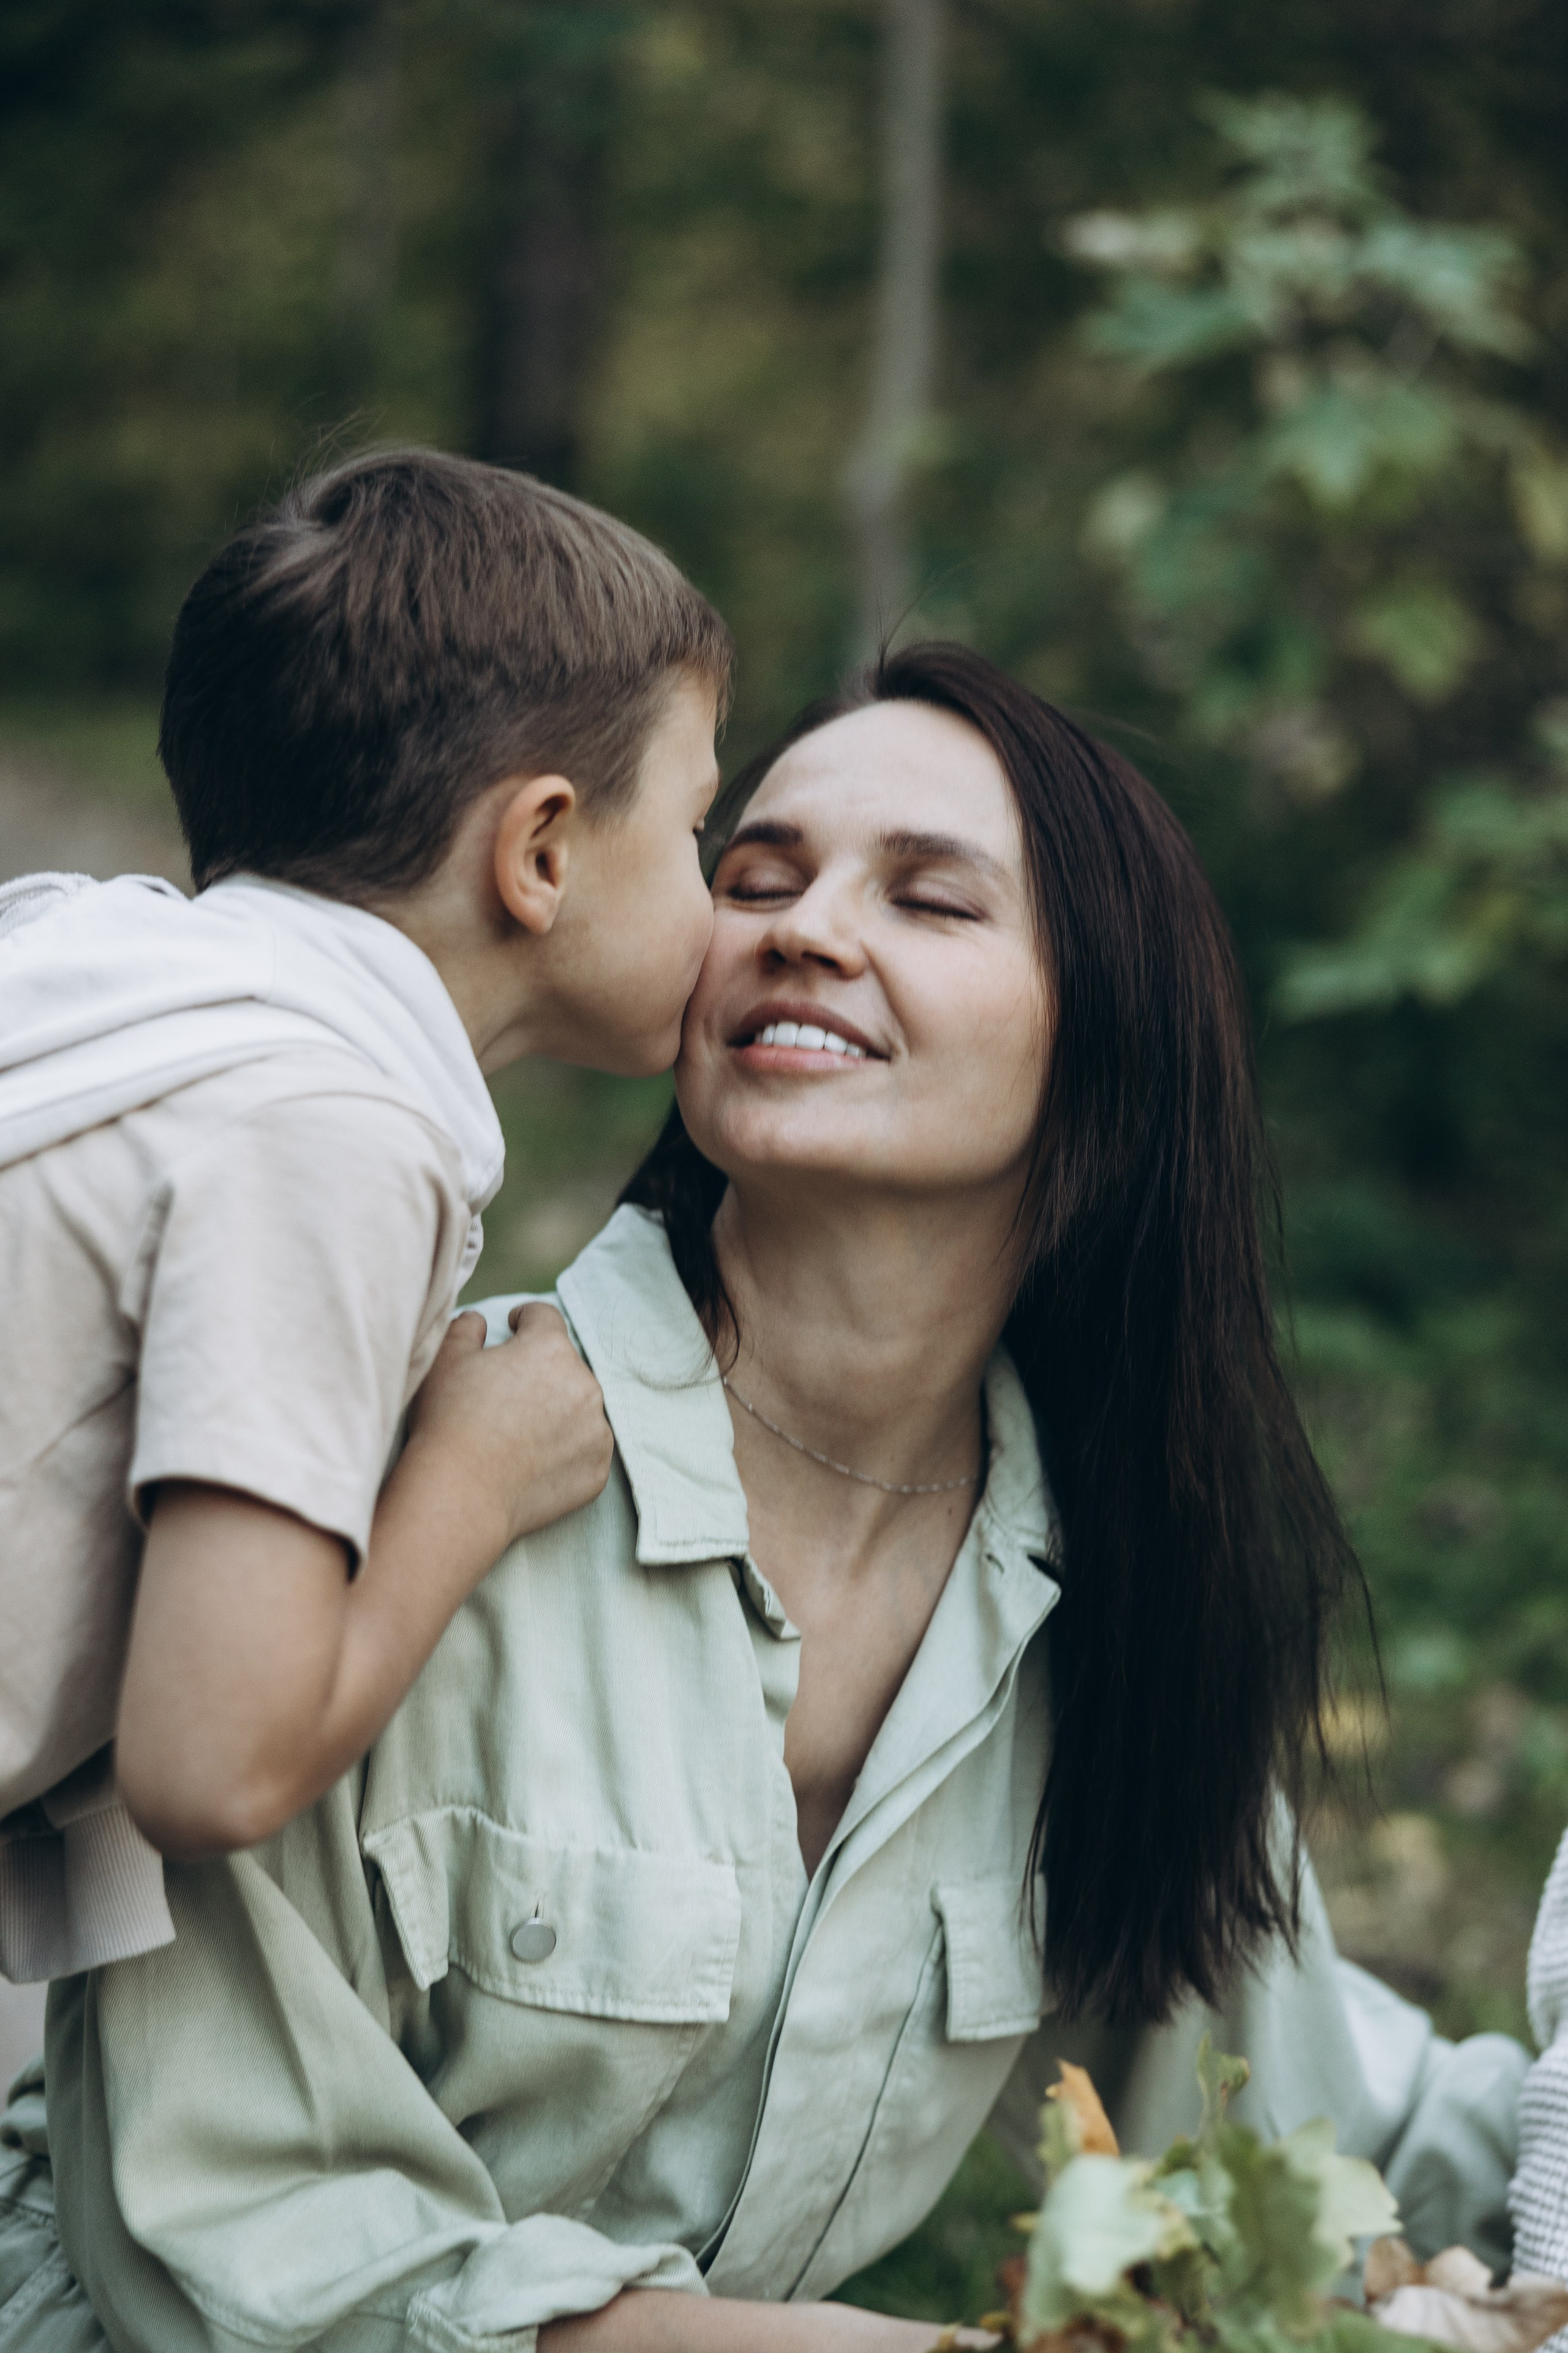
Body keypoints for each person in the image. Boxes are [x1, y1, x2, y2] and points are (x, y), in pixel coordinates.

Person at [0, 644, 1525, 2353]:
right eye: (756, 874)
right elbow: (246, 2251)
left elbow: (1340, 2144)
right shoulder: (416, 1472)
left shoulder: (1100, 1608)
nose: (803, 927)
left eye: (931, 901)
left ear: (1110, 1046)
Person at [0, 447, 731, 1984]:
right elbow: (211, 1766)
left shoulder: (93, 974)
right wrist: (471, 1475)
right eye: (694, 836)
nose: (721, 904)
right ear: (539, 853)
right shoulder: (325, 1132)